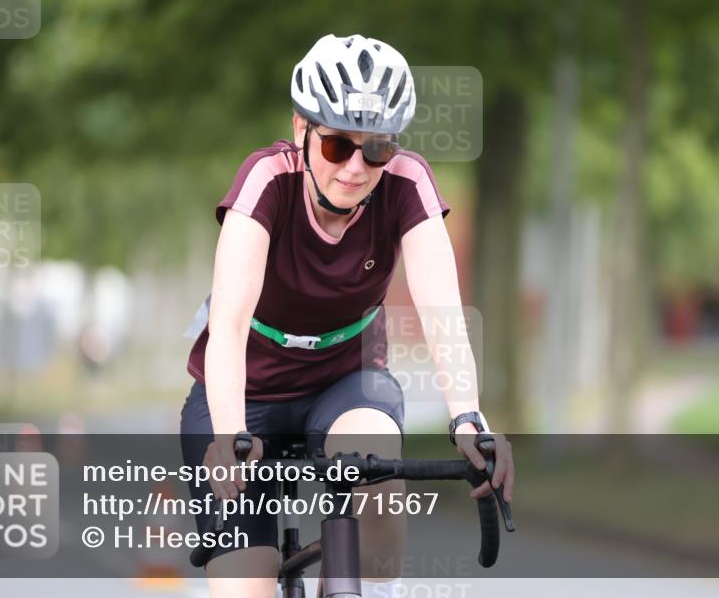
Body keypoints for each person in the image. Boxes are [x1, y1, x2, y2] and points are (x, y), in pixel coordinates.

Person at [180, 33, 514, 598]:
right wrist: (230, 434)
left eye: (377, 148)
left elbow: (443, 314)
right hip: (246, 393)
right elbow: (230, 327)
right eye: (337, 146)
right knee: (246, 587)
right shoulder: (266, 182)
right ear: (300, 132)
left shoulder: (408, 183)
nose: (357, 168)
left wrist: (468, 420)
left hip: (346, 381)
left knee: (376, 461)